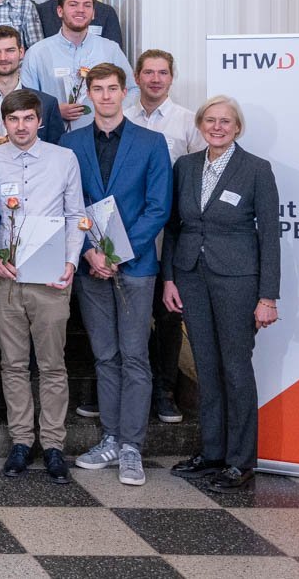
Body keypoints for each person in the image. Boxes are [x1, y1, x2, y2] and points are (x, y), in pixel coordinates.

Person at [61, 63, 172, 488]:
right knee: (105, 356)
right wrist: (92, 253)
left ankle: (131, 447)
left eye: (112, 89)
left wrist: (118, 253)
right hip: (92, 267)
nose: (105, 96)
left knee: (135, 356)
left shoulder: (152, 143)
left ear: (125, 92)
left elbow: (158, 207)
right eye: (98, 89)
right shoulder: (71, 145)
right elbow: (68, 204)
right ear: (88, 94)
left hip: (136, 265)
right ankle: (109, 437)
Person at [162, 96, 281, 492]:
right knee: (205, 369)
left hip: (237, 281)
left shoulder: (256, 170)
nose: (217, 127)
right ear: (200, 125)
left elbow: (270, 238)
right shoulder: (186, 166)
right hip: (191, 277)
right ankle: (212, 452)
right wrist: (169, 279)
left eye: (225, 121)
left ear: (237, 127)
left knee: (236, 368)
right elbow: (175, 226)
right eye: (210, 120)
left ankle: (240, 461)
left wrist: (268, 297)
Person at [0, 89, 86, 482]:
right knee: (12, 363)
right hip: (3, 278)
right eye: (13, 119)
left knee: (52, 364)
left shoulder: (64, 159)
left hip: (50, 278)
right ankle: (22, 441)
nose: (21, 126)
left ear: (39, 121)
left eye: (28, 118)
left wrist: (71, 262)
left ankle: (54, 444)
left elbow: (76, 213)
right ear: (3, 123)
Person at [126, 47, 206, 423]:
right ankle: (129, 386)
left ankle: (165, 390)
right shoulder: (122, 117)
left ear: (172, 78)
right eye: (149, 72)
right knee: (130, 315)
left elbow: (199, 180)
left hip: (172, 233)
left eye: (163, 73)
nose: (155, 79)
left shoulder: (189, 122)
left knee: (169, 315)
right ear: (137, 76)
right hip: (130, 231)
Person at [21, 0, 134, 131]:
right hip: (53, 139)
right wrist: (53, 110)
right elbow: (25, 99)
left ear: (93, 13)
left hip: (100, 138)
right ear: (60, 11)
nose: (80, 10)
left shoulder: (110, 49)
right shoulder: (37, 53)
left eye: (87, 5)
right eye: (73, 5)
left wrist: (112, 115)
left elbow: (132, 89)